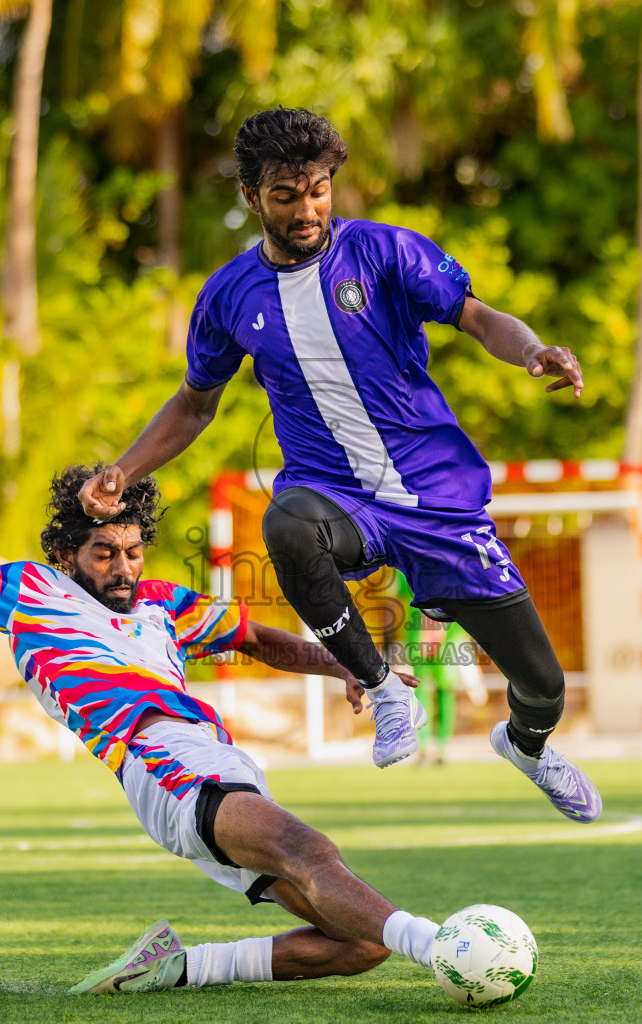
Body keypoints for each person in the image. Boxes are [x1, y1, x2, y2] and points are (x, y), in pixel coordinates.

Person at [0, 466, 471, 998]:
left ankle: (179, 967)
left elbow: (258, 639)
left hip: (219, 760)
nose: (123, 566)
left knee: (359, 942)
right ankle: (444, 948)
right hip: (160, 762)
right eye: (105, 552)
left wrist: (348, 666)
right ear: (65, 553)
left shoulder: (164, 603)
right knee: (311, 851)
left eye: (133, 551)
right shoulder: (26, 590)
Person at [76, 107, 598, 823]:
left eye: (318, 191)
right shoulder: (229, 295)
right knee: (287, 525)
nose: (306, 210)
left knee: (543, 687)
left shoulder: (386, 252)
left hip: (438, 501)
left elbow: (479, 317)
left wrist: (533, 350)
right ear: (252, 197)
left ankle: (528, 748)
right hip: (335, 498)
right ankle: (383, 691)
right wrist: (123, 472)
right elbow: (195, 406)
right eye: (285, 195)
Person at [394, 574, 485, 766]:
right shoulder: (404, 569)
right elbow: (402, 600)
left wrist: (442, 631)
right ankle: (424, 746)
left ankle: (443, 748)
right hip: (417, 636)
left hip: (449, 638)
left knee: (445, 691)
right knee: (419, 692)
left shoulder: (454, 567)